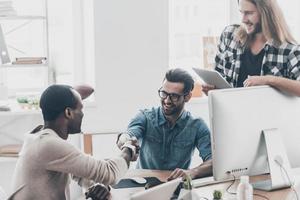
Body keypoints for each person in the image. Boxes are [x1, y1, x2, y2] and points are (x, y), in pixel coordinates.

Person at [9, 84, 138, 200]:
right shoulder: (49, 145)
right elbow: (109, 173)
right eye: (81, 109)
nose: (83, 114)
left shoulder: (39, 137)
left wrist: (96, 185)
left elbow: (79, 174)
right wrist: (128, 150)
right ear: (68, 112)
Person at [117, 68, 212, 180]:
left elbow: (213, 162)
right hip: (143, 188)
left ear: (187, 97)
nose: (167, 100)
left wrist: (192, 172)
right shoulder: (145, 117)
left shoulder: (197, 126)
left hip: (176, 186)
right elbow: (127, 135)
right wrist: (126, 141)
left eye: (174, 96)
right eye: (164, 93)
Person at [203, 0, 300, 96]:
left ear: (266, 13)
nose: (243, 19)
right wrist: (213, 89)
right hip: (230, 110)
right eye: (241, 12)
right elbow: (218, 75)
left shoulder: (289, 50)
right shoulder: (229, 36)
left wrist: (268, 80)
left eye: (249, 13)